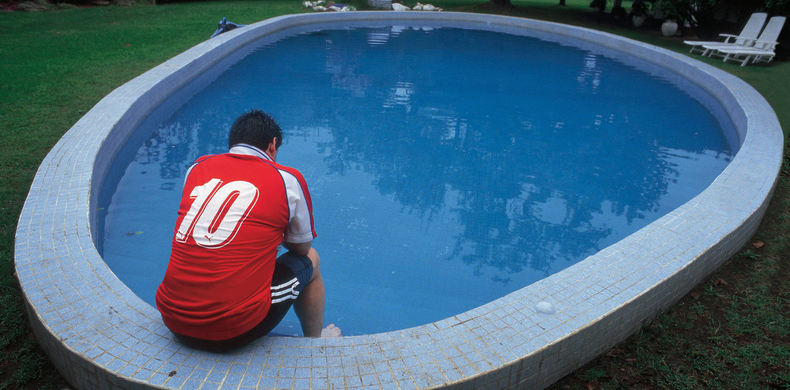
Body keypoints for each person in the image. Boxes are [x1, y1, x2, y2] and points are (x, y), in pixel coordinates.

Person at [156, 109, 340, 352]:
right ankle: (316, 345)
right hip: (231, 330)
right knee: (311, 260)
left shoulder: (197, 167)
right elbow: (301, 247)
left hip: (172, 319)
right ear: (273, 145)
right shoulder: (287, 179)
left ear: (233, 142)